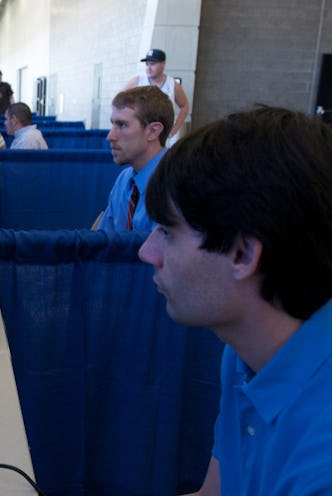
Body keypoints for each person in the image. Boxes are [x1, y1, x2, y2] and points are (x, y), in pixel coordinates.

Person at [138, 107, 332, 495]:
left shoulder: (322, 462)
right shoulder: (246, 352)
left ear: (243, 254)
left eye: (167, 232)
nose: (148, 252)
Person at [95, 85, 173, 231]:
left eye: (122, 125)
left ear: (153, 131)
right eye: (113, 124)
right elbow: (101, 244)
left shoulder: (176, 187)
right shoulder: (124, 181)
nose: (110, 136)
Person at [123, 49, 189, 146]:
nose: (149, 68)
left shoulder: (173, 84)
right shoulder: (137, 81)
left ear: (163, 64)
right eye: (147, 64)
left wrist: (175, 129)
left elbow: (184, 106)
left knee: (163, 159)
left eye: (152, 64)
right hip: (142, 132)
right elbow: (119, 102)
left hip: (165, 134)